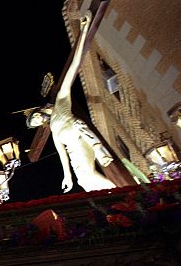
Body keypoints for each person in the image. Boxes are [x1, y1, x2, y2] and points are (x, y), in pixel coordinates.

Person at [26, 11, 115, 193]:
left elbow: (75, 65)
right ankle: (110, 199)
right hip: (72, 149)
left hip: (79, 137)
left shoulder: (60, 102)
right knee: (84, 182)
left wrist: (83, 32)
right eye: (36, 123)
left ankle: (118, 191)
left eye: (35, 118)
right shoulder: (54, 130)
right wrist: (67, 176)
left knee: (90, 175)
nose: (38, 122)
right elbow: (62, 153)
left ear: (40, 111)